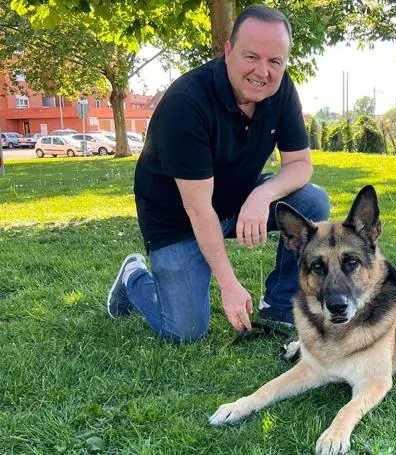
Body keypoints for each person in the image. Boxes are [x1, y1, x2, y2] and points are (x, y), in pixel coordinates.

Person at [106, 4, 330, 342]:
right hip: (177, 219)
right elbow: (198, 208)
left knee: (312, 201)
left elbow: (300, 164)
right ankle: (133, 277)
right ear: (228, 51)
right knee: (185, 332)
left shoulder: (282, 90)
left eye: (275, 62)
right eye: (251, 57)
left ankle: (280, 304)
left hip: (236, 198)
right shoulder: (187, 102)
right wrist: (229, 284)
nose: (263, 71)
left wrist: (262, 195)